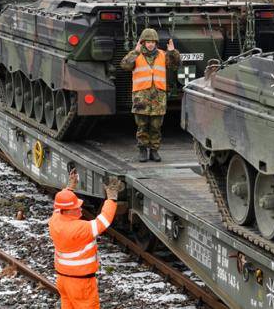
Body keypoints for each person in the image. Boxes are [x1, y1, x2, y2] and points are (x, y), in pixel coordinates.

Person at [48, 170, 124, 309]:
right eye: (76, 207)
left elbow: (60, 206)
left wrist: (70, 187)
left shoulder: (55, 220)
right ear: (69, 210)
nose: (80, 209)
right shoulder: (79, 228)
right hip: (80, 283)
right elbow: (103, 221)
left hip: (63, 280)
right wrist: (111, 197)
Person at [121, 28, 181, 162]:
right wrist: (135, 52)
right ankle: (143, 150)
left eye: (153, 42)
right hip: (141, 97)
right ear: (143, 42)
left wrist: (172, 52)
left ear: (156, 43)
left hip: (158, 98)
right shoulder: (136, 55)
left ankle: (154, 150)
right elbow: (125, 65)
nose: (150, 44)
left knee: (156, 126)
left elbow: (175, 65)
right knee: (142, 126)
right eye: (147, 42)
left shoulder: (163, 55)